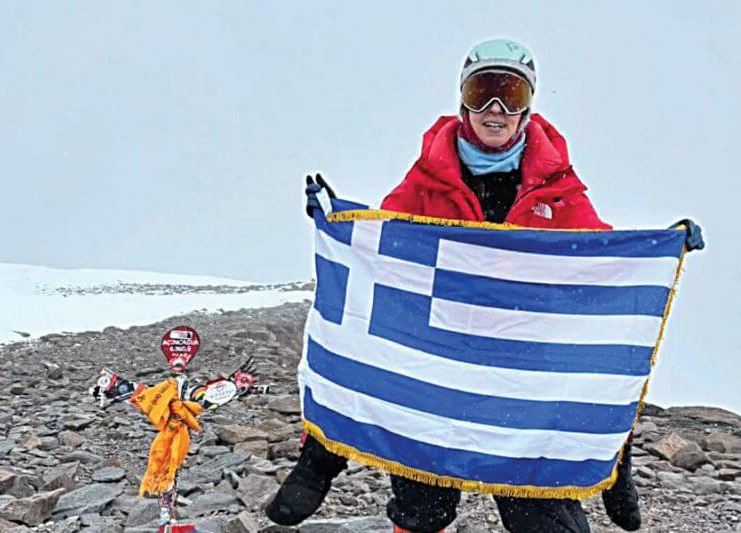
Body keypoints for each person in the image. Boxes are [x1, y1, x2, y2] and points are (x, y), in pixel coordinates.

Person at [267, 38, 705, 533]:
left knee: (541, 514)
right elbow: (383, 260)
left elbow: (599, 267)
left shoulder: (556, 188)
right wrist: (339, 227)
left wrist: (658, 248)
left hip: (520, 376)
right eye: (483, 92)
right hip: (437, 367)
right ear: (463, 102)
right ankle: (320, 460)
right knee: (421, 507)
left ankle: (609, 460)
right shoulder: (425, 182)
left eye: (510, 94)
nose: (495, 109)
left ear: (527, 109)